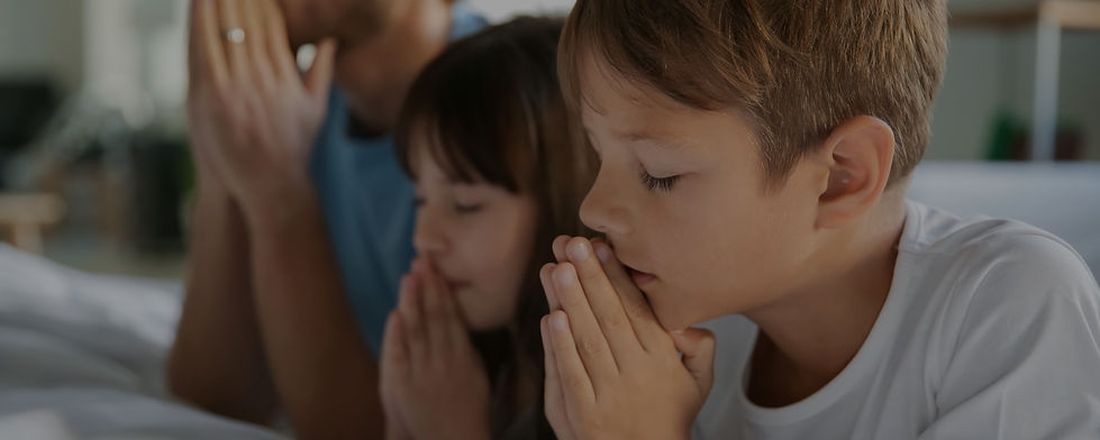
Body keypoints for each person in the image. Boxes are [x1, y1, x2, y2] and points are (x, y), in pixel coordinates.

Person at [538, 0, 1100, 439]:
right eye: (598, 155)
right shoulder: (683, 342)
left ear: (841, 177)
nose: (593, 208)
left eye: (659, 173)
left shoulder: (1005, 303)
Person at [166, 0, 486, 437]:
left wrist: (282, 198)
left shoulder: (509, 109)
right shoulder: (291, 109)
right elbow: (219, 397)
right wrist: (221, 150)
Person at [379, 17, 595, 439]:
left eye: (466, 205)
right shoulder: (480, 367)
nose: (423, 236)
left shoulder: (606, 403)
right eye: (420, 199)